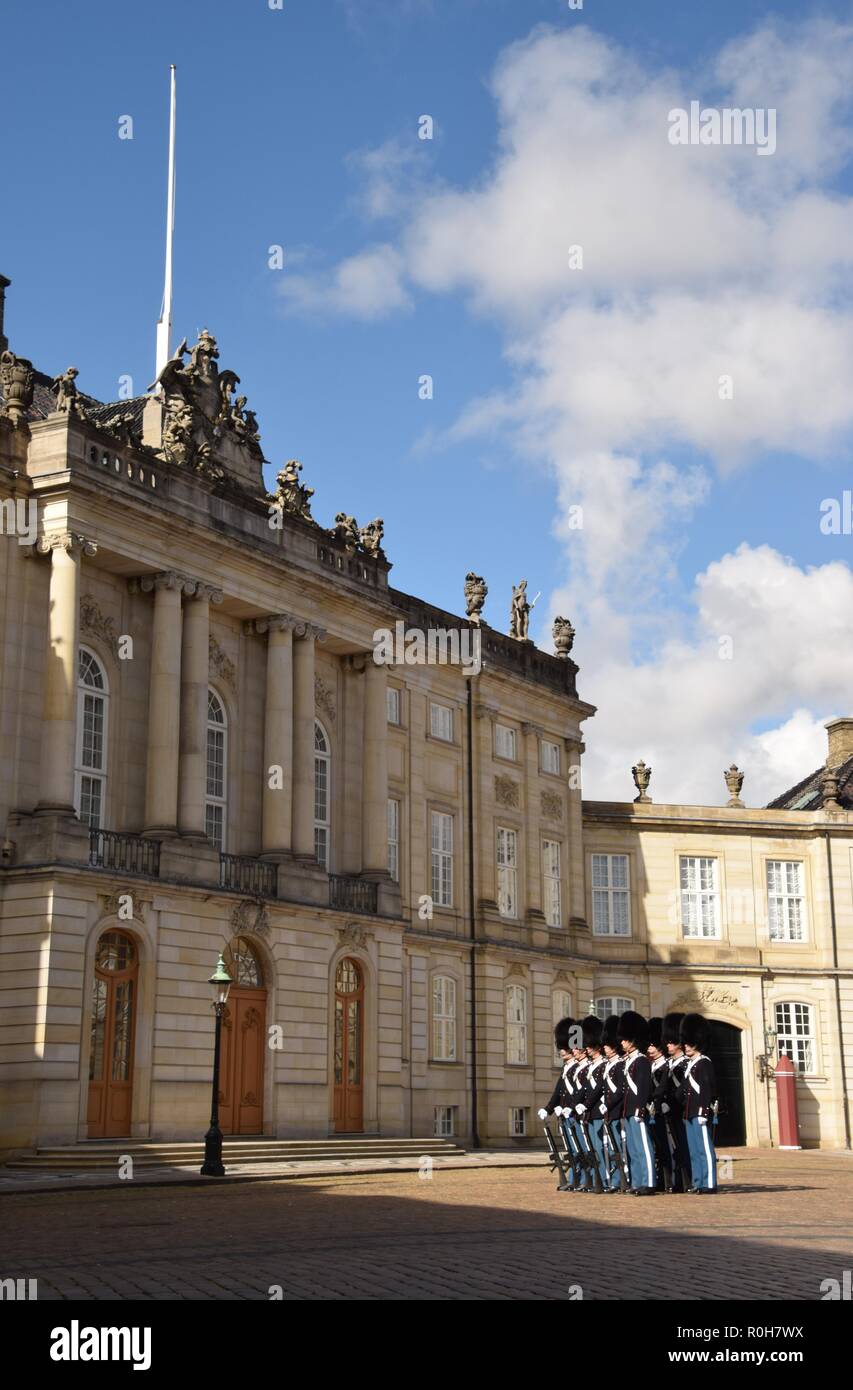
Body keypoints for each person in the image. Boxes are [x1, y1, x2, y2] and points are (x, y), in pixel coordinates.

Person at [618, 1010, 657, 1195]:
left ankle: (648, 1182)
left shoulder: (641, 1061)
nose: (622, 1042)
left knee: (644, 1147)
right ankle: (638, 1181)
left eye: (625, 1039)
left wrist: (641, 1109)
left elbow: (643, 1088)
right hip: (628, 1110)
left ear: (633, 1039)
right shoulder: (629, 1062)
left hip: (637, 1110)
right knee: (633, 1149)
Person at [679, 1013, 718, 1193]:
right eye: (685, 1042)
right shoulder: (690, 1065)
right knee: (694, 1151)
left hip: (700, 1112)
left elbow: (707, 1090)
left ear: (698, 1041)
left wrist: (703, 1112)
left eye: (689, 1042)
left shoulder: (704, 1063)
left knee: (705, 1149)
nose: (685, 1046)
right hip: (689, 1112)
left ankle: (709, 1182)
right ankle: (698, 1182)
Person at [662, 1012, 692, 1192]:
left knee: (685, 1145)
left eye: (671, 1042)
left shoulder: (686, 1063)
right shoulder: (670, 1064)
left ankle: (688, 1179)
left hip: (681, 1109)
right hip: (670, 1110)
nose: (668, 1045)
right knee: (676, 1146)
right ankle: (679, 1181)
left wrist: (671, 1103)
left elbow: (684, 1089)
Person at [578, 1015, 608, 1192]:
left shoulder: (604, 1065)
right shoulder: (592, 1066)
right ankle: (599, 1178)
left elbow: (599, 1090)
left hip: (601, 1111)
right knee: (593, 1150)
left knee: (603, 1149)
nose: (586, 1048)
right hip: (590, 1112)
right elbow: (585, 1089)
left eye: (589, 1045)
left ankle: (607, 1179)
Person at [647, 1017, 674, 1192]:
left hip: (664, 1110)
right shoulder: (653, 1065)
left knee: (667, 1146)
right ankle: (660, 1178)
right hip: (652, 1111)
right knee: (657, 1146)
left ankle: (669, 1180)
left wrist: (660, 1102)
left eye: (652, 1045)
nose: (649, 1048)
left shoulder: (666, 1065)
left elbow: (664, 1088)